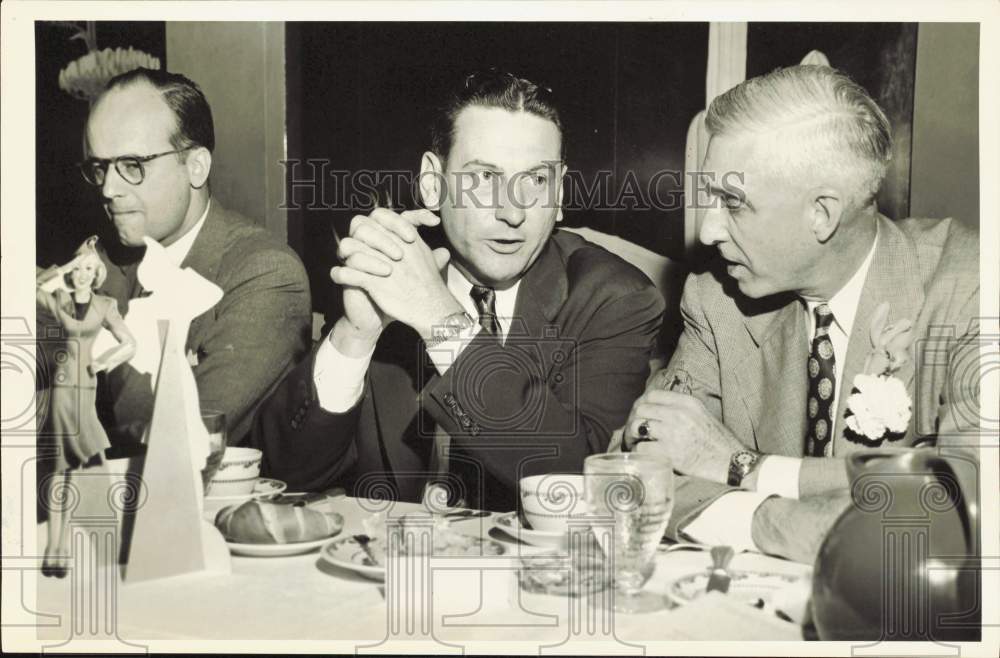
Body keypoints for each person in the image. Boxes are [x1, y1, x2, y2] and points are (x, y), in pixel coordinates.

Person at [254, 70, 665, 511]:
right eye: (484, 178)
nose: (513, 211)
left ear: (561, 190)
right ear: (433, 183)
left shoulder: (614, 297)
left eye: (537, 180)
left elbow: (583, 480)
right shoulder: (396, 272)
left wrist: (440, 320)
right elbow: (283, 478)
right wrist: (355, 334)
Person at [617, 64, 980, 564]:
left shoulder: (973, 287)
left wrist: (744, 468)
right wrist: (778, 523)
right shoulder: (714, 300)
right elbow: (642, 469)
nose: (707, 231)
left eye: (733, 203)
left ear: (822, 213)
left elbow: (968, 506)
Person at [50, 68, 312, 449]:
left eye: (132, 166)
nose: (108, 188)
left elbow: (175, 441)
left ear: (196, 167)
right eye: (100, 167)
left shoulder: (264, 273)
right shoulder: (98, 262)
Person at [36, 239, 136, 577]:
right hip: (63, 388)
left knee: (78, 466)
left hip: (87, 388)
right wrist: (63, 267)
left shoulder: (106, 304)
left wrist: (103, 362)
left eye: (88, 269)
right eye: (78, 268)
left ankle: (70, 545)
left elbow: (129, 343)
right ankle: (54, 548)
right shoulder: (57, 299)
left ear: (97, 275)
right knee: (59, 465)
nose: (82, 274)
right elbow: (27, 286)